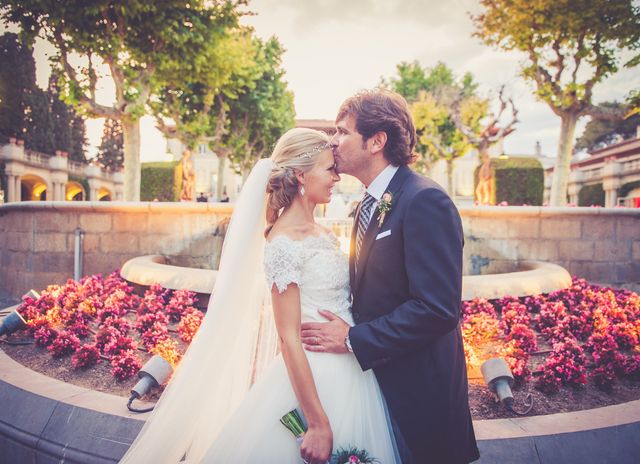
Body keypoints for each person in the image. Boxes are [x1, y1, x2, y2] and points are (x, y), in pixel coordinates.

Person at [119, 128, 400, 464]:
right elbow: (287, 338)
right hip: (317, 379)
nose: (337, 177)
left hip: (352, 368)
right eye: (328, 169)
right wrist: (317, 422)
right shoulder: (283, 242)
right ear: (299, 176)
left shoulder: (322, 232)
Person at [301, 89, 480, 464]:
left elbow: (437, 308)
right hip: (376, 385)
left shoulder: (425, 201)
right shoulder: (368, 201)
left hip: (419, 395)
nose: (333, 142)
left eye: (342, 132)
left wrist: (353, 338)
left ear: (376, 141)